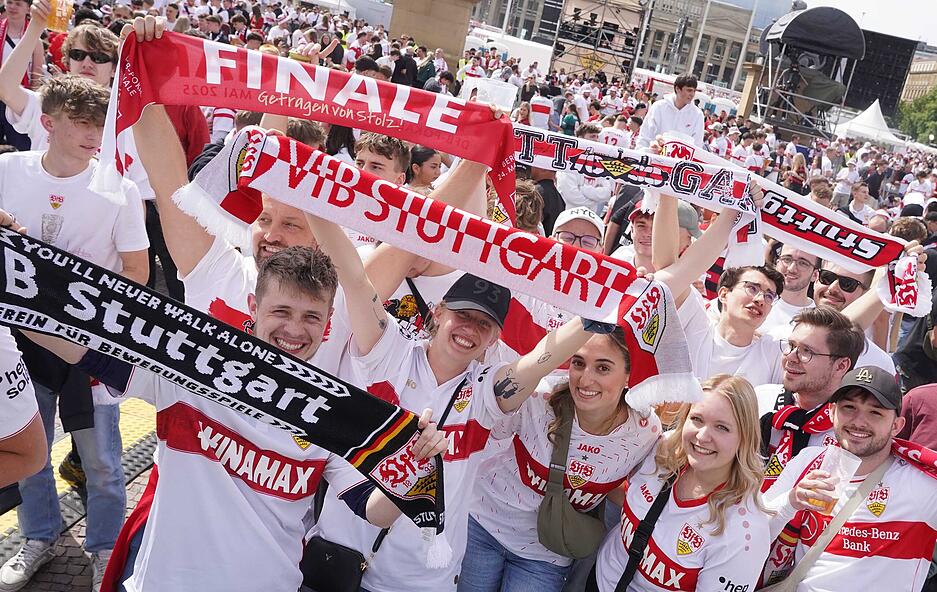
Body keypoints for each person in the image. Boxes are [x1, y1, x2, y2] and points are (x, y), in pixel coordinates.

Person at [16, 247, 449, 592]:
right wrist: (13, 279)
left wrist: (413, 470)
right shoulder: (190, 370)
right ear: (254, 306)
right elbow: (72, 345)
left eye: (311, 316)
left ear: (328, 323)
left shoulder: (332, 412)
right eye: (281, 312)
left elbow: (374, 513)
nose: (294, 330)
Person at [0, 74, 149, 592]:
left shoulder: (120, 189)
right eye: (80, 122)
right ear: (48, 122)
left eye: (98, 124)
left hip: (87, 348)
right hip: (20, 343)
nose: (92, 134)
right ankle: (38, 537)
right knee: (29, 454)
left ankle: (105, 548)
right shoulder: (6, 171)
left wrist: (90, 317)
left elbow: (137, 272)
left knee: (103, 461)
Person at [459, 326, 661, 592]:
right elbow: (481, 429)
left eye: (603, 368)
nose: (585, 379)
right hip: (483, 527)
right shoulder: (540, 396)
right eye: (578, 363)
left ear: (628, 375)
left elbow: (633, 491)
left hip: (546, 555)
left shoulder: (645, 431)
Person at [590, 375, 771, 591]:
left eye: (722, 427)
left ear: (745, 438)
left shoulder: (745, 531)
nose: (703, 436)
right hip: (599, 579)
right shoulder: (662, 450)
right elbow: (620, 489)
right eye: (697, 419)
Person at [763, 366, 937, 591]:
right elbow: (750, 534)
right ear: (832, 412)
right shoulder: (807, 461)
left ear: (897, 426)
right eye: (849, 408)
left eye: (875, 412)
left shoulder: (923, 483)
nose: (859, 422)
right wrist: (791, 502)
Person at [755, 307, 865, 488]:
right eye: (791, 346)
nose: (790, 357)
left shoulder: (851, 431)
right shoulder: (759, 400)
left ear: (841, 366)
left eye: (807, 351)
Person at [761, 244, 820, 336]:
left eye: (803, 263)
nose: (792, 268)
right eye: (787, 259)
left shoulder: (817, 320)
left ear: (815, 275)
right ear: (777, 263)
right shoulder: (754, 300)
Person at [636, 74, 704, 149]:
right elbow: (644, 137)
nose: (692, 94)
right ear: (677, 89)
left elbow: (697, 146)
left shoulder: (698, 115)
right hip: (654, 157)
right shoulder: (658, 107)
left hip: (681, 160)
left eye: (694, 91)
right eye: (689, 90)